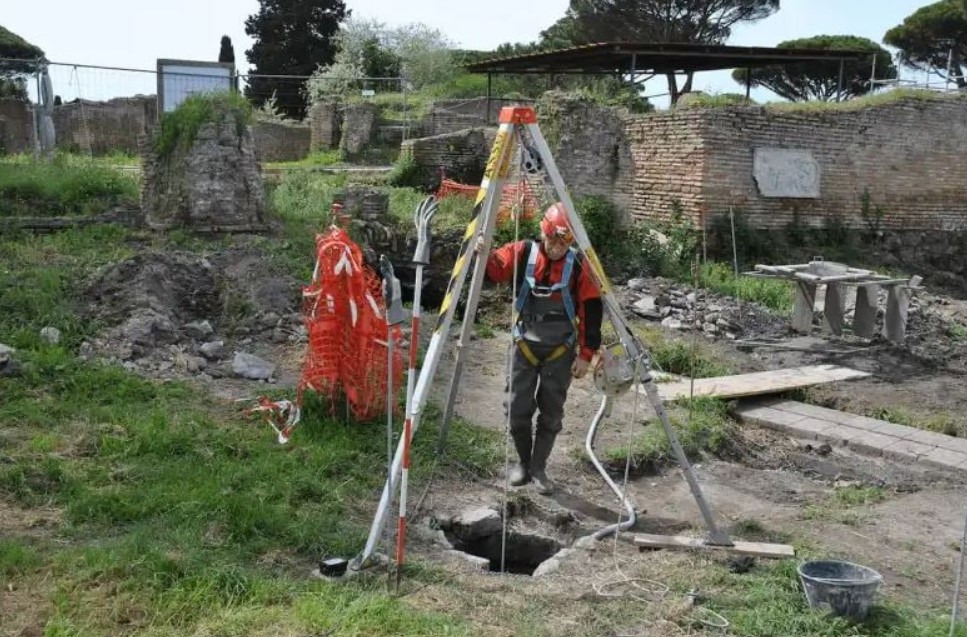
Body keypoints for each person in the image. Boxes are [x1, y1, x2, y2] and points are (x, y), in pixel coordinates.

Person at [475, 202, 603, 494]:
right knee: (516, 407)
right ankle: (522, 462)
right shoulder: (522, 251)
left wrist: (586, 355)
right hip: (524, 344)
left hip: (561, 349)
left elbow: (592, 309)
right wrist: (483, 251)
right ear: (542, 232)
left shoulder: (579, 265)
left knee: (551, 410)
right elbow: (495, 270)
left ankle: (539, 467)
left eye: (562, 242)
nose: (556, 247)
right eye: (552, 240)